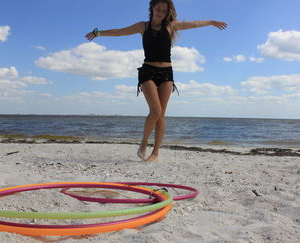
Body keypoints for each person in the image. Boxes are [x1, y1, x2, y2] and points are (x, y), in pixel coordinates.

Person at [85, 0, 227, 162]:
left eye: (163, 10)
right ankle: (144, 143)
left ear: (167, 13)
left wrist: (211, 22)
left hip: (167, 72)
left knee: (161, 116)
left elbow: (194, 24)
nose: (160, 12)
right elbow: (119, 32)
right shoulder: (142, 26)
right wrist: (98, 32)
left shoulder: (170, 26)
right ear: (152, 8)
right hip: (148, 71)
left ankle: (155, 153)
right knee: (155, 111)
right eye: (158, 9)